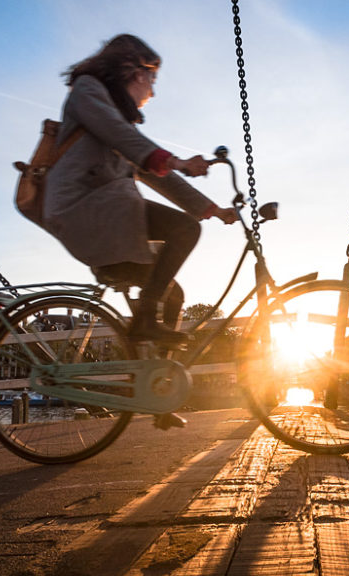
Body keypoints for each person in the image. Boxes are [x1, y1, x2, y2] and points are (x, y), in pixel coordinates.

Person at [44, 34, 236, 349]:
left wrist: (211, 209)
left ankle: (153, 382)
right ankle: (145, 321)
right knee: (185, 230)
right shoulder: (87, 92)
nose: (153, 90)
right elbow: (123, 138)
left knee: (173, 295)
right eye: (152, 78)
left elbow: (151, 170)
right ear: (135, 71)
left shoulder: (115, 120)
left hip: (105, 217)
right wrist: (177, 161)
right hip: (87, 211)